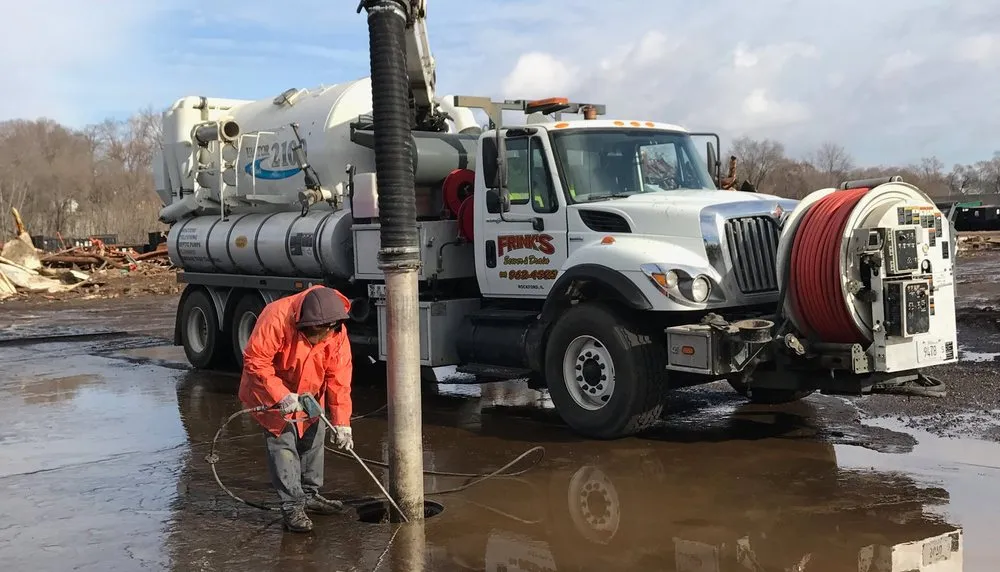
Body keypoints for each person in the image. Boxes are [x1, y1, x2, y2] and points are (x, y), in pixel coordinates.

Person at [237, 285, 355, 533]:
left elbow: (339, 379)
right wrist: (281, 395)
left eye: (324, 335)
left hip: (310, 391)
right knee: (284, 444)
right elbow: (256, 361)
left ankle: (310, 494)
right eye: (315, 336)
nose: (321, 340)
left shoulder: (336, 331)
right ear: (304, 324)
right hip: (271, 388)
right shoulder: (276, 317)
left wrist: (343, 423)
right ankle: (292, 506)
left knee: (314, 438)